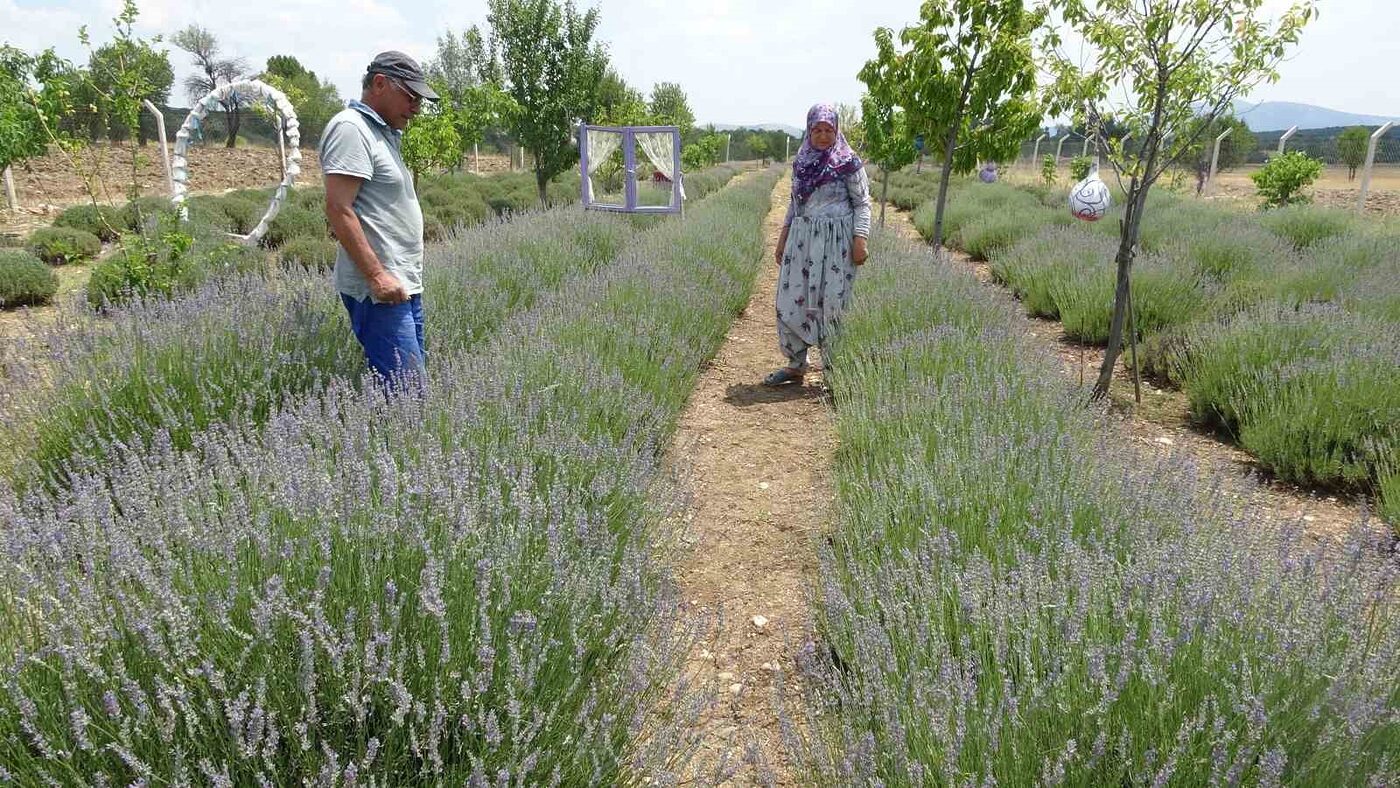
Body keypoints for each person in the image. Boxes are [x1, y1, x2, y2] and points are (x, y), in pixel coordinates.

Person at [319, 51, 439, 386]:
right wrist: (377, 277)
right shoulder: (351, 129)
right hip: (380, 290)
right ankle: (394, 440)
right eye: (411, 96)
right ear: (380, 84)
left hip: (402, 283)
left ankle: (392, 436)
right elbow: (338, 209)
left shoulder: (383, 133)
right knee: (408, 395)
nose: (416, 107)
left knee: (407, 389)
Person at [763, 103, 872, 386]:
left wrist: (860, 239)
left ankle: (833, 370)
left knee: (833, 301)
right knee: (792, 300)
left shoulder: (848, 162)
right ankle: (796, 364)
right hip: (802, 240)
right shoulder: (801, 161)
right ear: (809, 131)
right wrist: (782, 240)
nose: (823, 136)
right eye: (817, 130)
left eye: (829, 130)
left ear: (837, 132)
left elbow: (862, 203)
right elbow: (794, 203)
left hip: (837, 243)